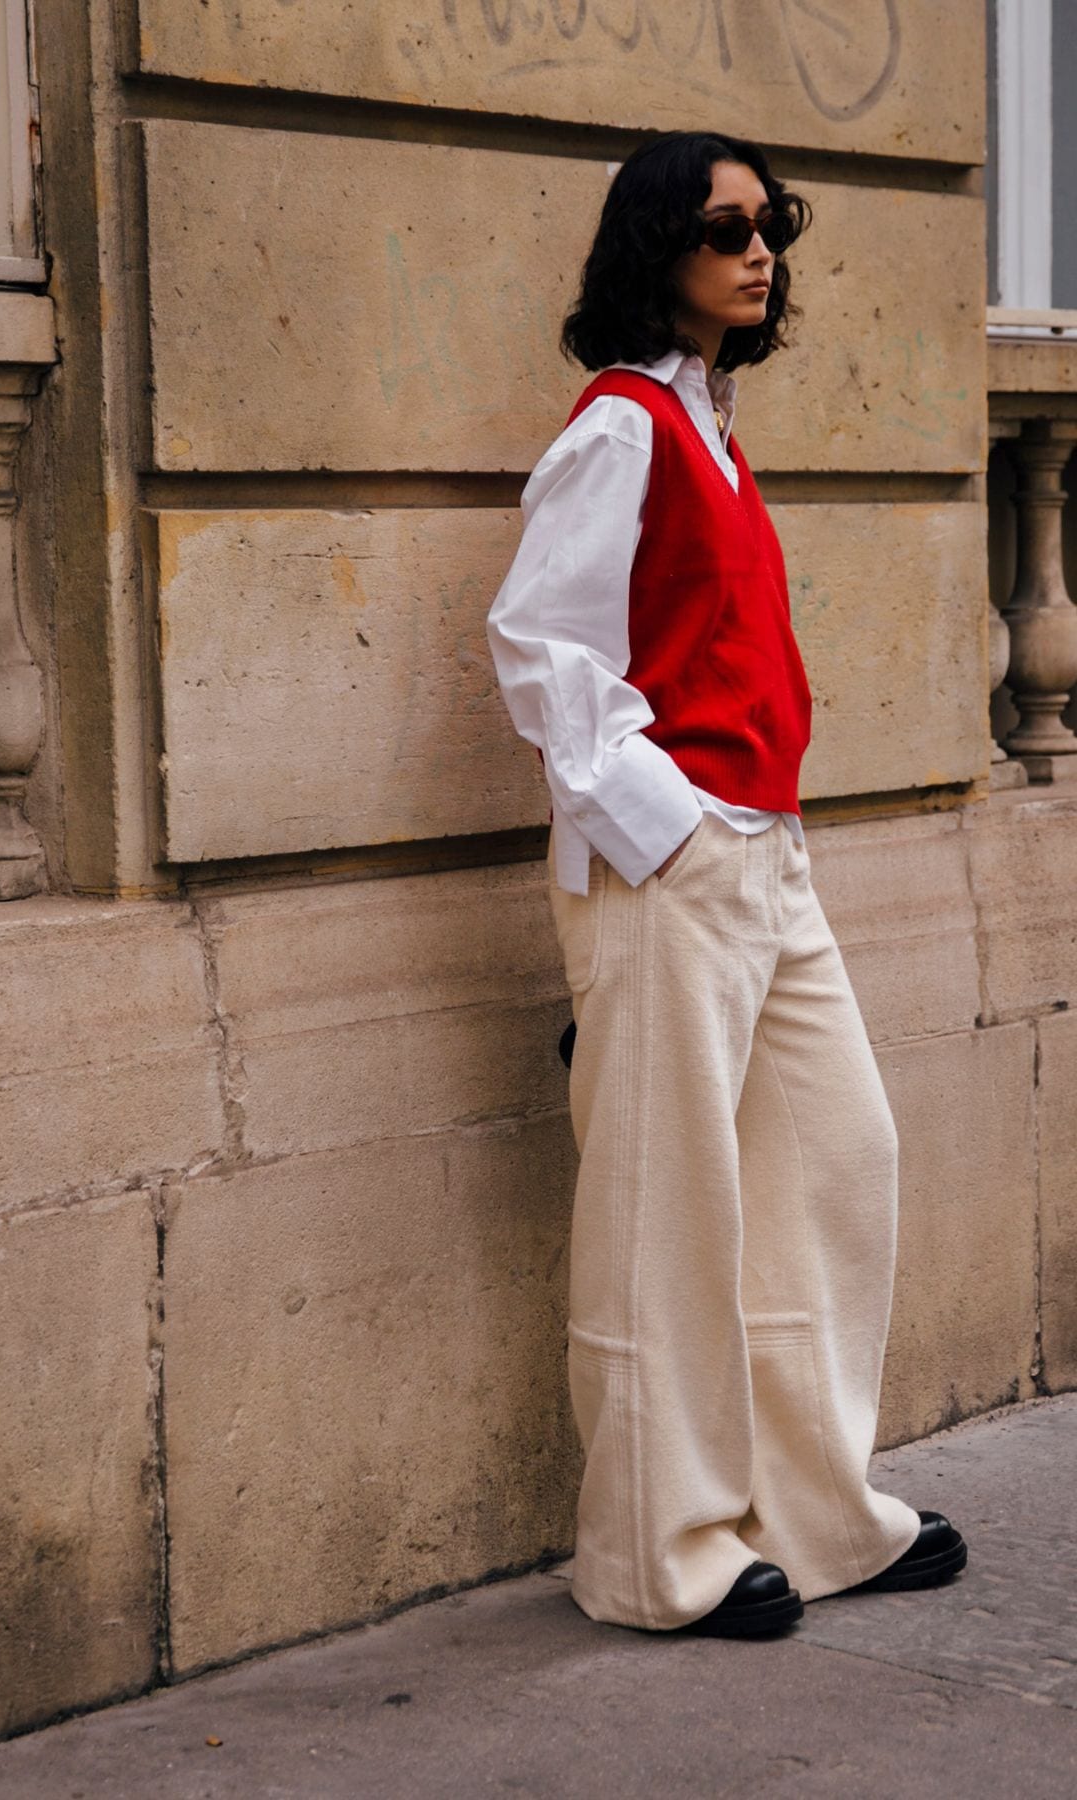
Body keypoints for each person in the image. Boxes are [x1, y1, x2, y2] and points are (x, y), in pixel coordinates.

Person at [486, 131, 967, 1638]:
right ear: (657, 253)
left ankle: (814, 1516)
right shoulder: (623, 428)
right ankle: (656, 1556)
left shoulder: (710, 424)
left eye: (772, 227)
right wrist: (667, 826)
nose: (759, 254)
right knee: (666, 1216)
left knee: (835, 1162)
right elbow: (541, 647)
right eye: (724, 230)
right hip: (676, 864)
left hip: (766, 854)